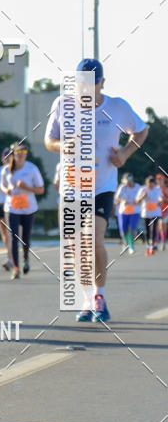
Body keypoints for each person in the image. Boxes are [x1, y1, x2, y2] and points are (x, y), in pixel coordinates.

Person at [45, 58, 148, 322]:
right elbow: (49, 140)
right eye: (81, 82)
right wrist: (63, 146)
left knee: (93, 240)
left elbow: (141, 130)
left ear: (102, 82)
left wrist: (125, 153)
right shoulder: (62, 104)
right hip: (71, 186)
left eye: (92, 82)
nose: (86, 87)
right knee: (76, 247)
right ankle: (87, 298)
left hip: (102, 186)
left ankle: (100, 296)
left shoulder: (117, 107)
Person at [0, 141, 44, 280]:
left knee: (25, 238)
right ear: (14, 154)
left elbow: (41, 189)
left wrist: (26, 187)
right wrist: (6, 190)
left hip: (28, 208)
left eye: (24, 152)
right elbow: (2, 185)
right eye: (19, 152)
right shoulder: (6, 170)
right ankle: (15, 268)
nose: (21, 155)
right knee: (13, 238)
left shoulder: (32, 169)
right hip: (12, 208)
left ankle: (25, 260)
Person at [136, 176, 163, 255]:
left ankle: (152, 246)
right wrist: (142, 196)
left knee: (154, 230)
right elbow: (137, 201)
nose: (150, 185)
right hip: (146, 213)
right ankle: (148, 246)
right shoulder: (143, 189)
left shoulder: (157, 189)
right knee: (147, 230)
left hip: (155, 213)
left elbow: (160, 197)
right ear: (146, 183)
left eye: (151, 184)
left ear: (154, 183)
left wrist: (161, 201)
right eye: (148, 184)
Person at [115, 173, 141, 254]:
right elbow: (117, 198)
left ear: (131, 180)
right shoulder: (122, 187)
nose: (127, 183)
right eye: (125, 181)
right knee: (123, 230)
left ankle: (131, 246)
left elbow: (142, 197)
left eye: (128, 181)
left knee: (132, 229)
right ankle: (125, 243)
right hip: (123, 211)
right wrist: (122, 200)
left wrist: (137, 200)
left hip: (135, 211)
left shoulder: (137, 187)